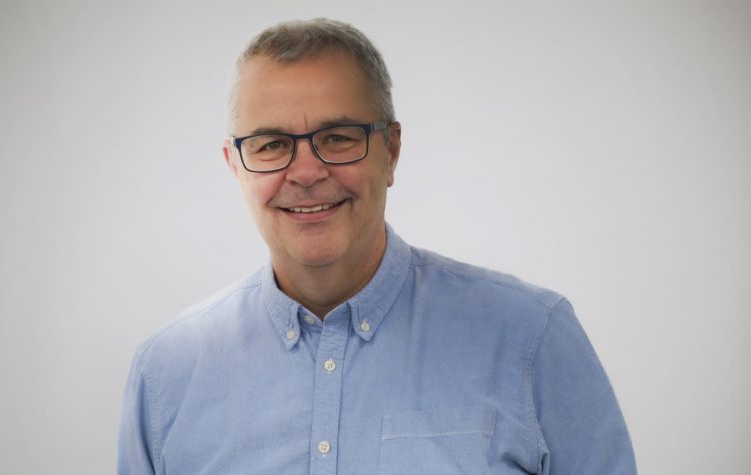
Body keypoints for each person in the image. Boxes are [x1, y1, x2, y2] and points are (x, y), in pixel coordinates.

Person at [118, 18, 636, 474]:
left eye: (339, 136)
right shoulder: (165, 375)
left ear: (391, 150)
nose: (305, 172)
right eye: (272, 144)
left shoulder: (530, 338)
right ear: (236, 166)